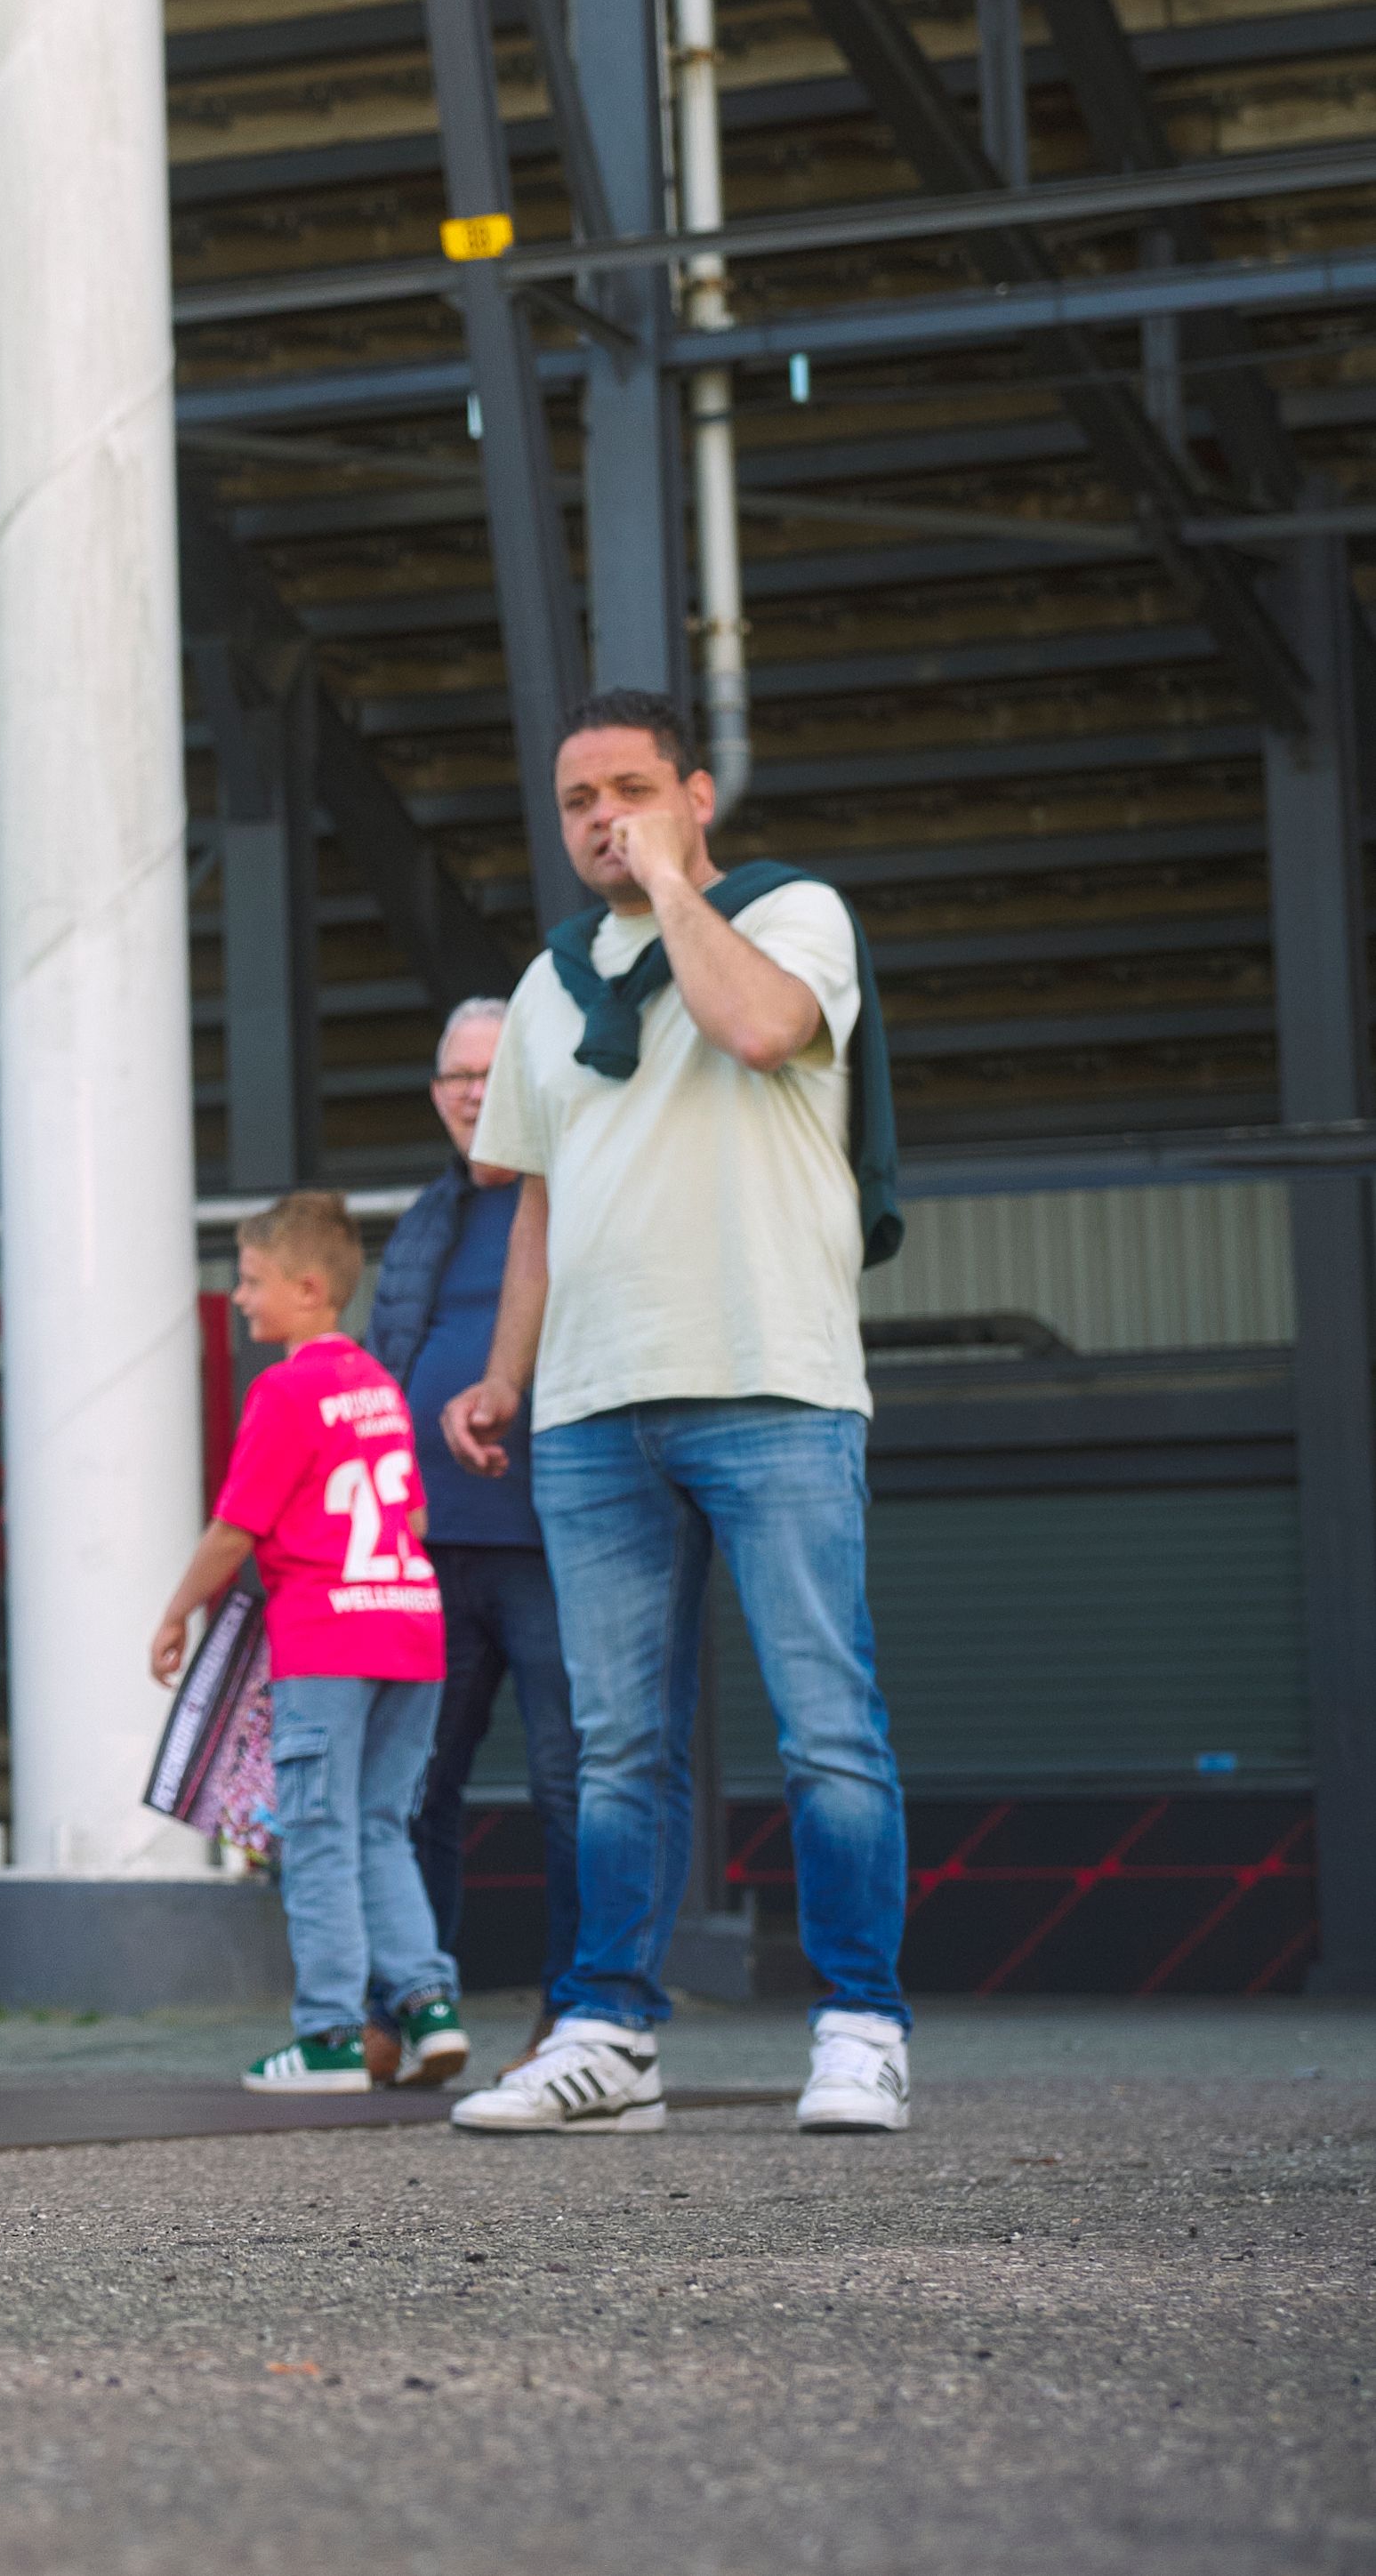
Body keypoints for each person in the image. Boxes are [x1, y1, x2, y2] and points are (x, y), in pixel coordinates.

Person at [443, 686, 913, 2140]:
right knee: (611, 1741)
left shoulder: (789, 919)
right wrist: (506, 1372)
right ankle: (607, 2028)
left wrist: (662, 885)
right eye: (580, 799)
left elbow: (763, 1029)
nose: (601, 817)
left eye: (631, 789)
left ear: (696, 793)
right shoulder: (542, 984)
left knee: (822, 1722)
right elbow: (533, 1205)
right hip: (592, 1407)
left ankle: (859, 2027)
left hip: (769, 1377)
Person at [153, 1192, 465, 2094]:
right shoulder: (378, 1386)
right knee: (378, 1825)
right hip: (411, 1625)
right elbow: (414, 1512)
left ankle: (329, 2035)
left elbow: (234, 1528)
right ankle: (428, 2005)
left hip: (327, 1634)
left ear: (310, 1285)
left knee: (319, 1831)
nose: (240, 1297)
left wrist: (177, 1612)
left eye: (252, 1281)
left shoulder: (285, 1389)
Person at [378, 990, 578, 2055]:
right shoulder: (425, 1218)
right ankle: (413, 2009)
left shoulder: (573, 1198)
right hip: (427, 1550)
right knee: (415, 1789)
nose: (470, 1094)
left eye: (490, 1074)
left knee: (570, 1784)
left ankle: (579, 2010)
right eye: (456, 1076)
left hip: (551, 1542)